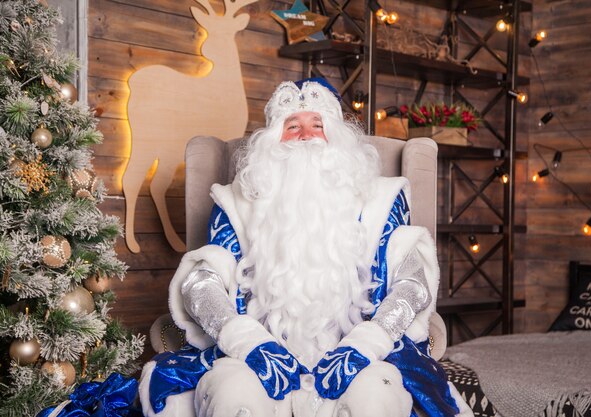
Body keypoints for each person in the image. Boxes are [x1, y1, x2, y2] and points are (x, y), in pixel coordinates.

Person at [138, 78, 472, 417]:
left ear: (337, 136)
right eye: (292, 126)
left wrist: (366, 345)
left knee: (374, 401)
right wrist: (247, 342)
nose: (305, 134)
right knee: (233, 397)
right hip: (256, 358)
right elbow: (200, 285)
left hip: (361, 358)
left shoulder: (383, 199)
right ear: (271, 141)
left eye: (317, 125)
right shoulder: (235, 204)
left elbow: (412, 286)